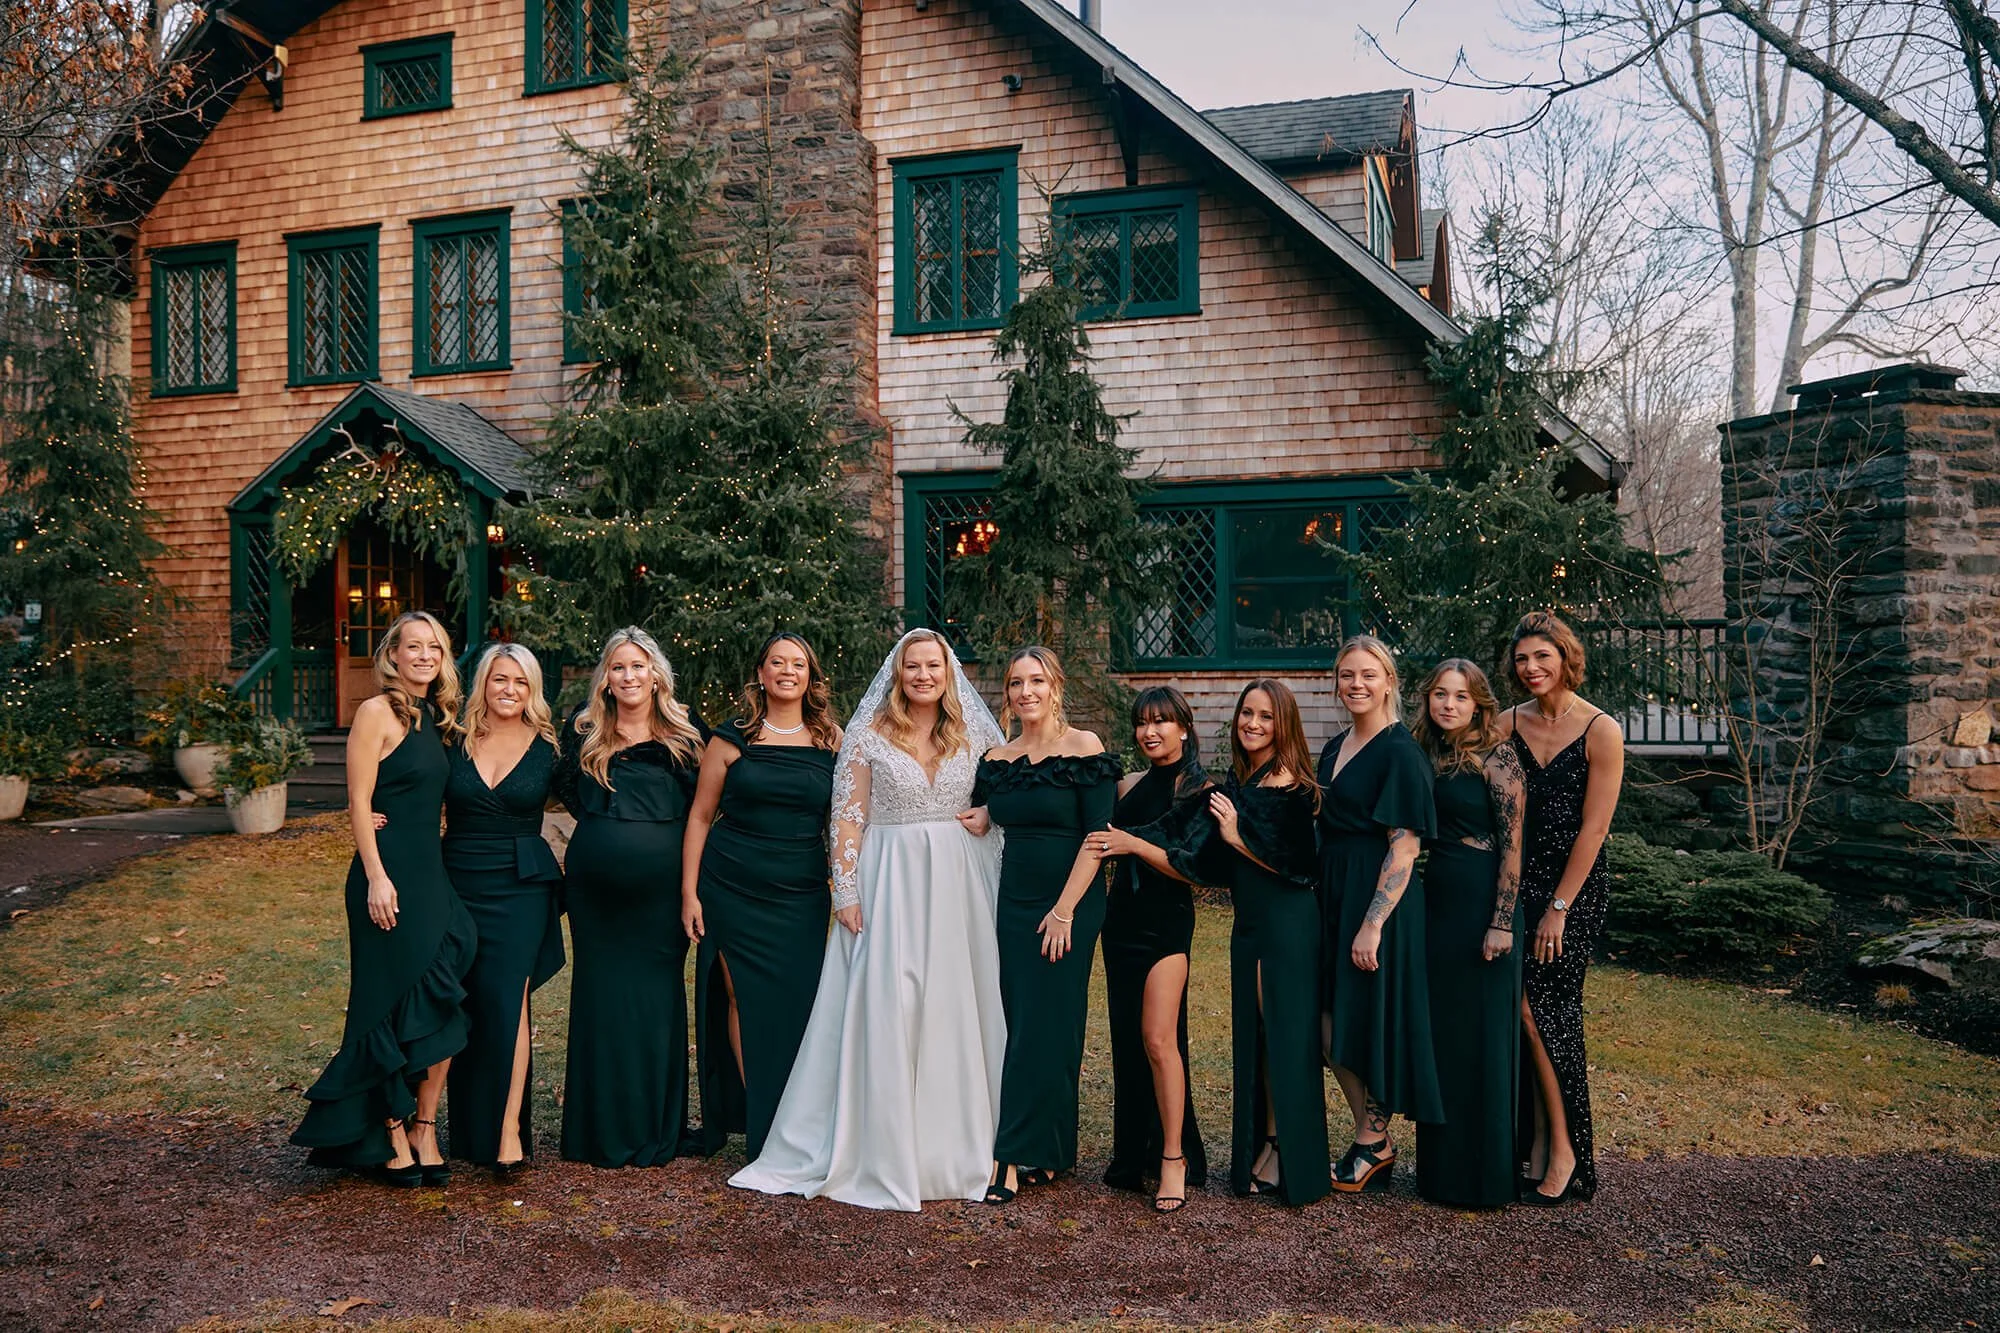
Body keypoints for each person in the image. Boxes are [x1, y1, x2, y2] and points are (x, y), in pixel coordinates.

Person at [730, 628, 1006, 1211]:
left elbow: (1006, 794)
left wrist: (987, 812)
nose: (924, 676)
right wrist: (847, 891)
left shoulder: (977, 733)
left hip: (956, 884)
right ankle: (884, 1144)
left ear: (948, 673)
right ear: (898, 675)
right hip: (890, 882)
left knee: (952, 1004)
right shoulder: (867, 735)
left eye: (933, 666)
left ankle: (953, 1147)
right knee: (894, 1003)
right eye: (913, 667)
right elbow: (847, 819)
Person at [291, 611, 474, 1187]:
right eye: (413, 647)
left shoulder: (439, 719)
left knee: (447, 981)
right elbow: (358, 798)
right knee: (385, 1002)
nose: (424, 656)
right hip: (386, 875)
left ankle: (425, 1124)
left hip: (430, 873)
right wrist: (376, 875)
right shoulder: (377, 712)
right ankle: (391, 1129)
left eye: (435, 649)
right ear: (392, 655)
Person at [1164, 679, 1329, 1206]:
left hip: (1286, 923)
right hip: (1251, 925)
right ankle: (1271, 1141)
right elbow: (1208, 861)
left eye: (1264, 716)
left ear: (1284, 724)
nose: (1253, 724)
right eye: (1246, 715)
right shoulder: (1246, 779)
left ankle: (1288, 1153)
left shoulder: (1293, 786)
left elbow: (1301, 868)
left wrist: (1237, 837)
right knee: (1260, 1034)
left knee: (1282, 1034)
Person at [551, 627, 707, 1168]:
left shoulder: (688, 736)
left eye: (638, 666)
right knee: (601, 999)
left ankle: (654, 1126)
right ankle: (599, 1129)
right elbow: (570, 792)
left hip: (664, 895)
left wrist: (688, 887)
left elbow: (705, 812)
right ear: (606, 678)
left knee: (655, 1000)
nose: (629, 676)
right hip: (596, 894)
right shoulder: (583, 730)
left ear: (656, 674)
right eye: (618, 668)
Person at [683, 633, 841, 1160]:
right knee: (739, 997)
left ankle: (799, 1119)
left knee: (799, 1002)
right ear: (762, 672)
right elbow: (701, 816)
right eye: (778, 661)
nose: (787, 670)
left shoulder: (832, 740)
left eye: (798, 663)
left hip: (799, 890)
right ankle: (764, 1122)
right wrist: (690, 892)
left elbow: (846, 821)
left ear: (810, 677)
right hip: (730, 884)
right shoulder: (730, 739)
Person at [975, 647, 1121, 1206]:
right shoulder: (999, 755)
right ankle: (1052, 1150)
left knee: (1044, 1024)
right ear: (1007, 694)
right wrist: (984, 813)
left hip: (1071, 904)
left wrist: (1063, 911)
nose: (1026, 691)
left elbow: (1098, 837)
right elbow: (991, 807)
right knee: (1028, 1023)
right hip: (1014, 904)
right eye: (1016, 682)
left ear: (1055, 686)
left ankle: (1008, 1156)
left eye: (1037, 680)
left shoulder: (1083, 747)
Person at [1495, 611, 1623, 1205]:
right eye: (1522, 659)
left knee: (1544, 1010)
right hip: (1516, 886)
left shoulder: (1601, 730)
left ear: (1565, 657)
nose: (1531, 668)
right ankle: (1539, 1145)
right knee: (1521, 1013)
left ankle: (1568, 1149)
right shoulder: (1504, 724)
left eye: (1542, 657)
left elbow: (1594, 831)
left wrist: (1559, 909)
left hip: (1572, 891)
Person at [1317, 634, 1440, 1194]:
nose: (1357, 684)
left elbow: (1405, 846)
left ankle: (1372, 1141)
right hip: (1331, 893)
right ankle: (1373, 1137)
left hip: (1377, 903)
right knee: (1326, 1020)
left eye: (1368, 674)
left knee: (1363, 1016)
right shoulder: (1334, 746)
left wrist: (1372, 922)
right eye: (1347, 675)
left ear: (1389, 680)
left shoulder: (1400, 751)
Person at [1085, 685, 1211, 1213]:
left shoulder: (1199, 788)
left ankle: (1173, 1160)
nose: (1150, 732)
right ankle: (1131, 1154)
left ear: (1183, 727)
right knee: (1127, 1043)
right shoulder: (1131, 783)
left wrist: (1134, 845)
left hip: (1166, 925)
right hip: (1121, 924)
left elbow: (1193, 864)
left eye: (1161, 722)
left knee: (1160, 1040)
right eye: (1142, 723)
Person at [440, 643, 564, 1178]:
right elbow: (414, 792)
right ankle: (447, 1127)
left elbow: (603, 800)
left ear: (531, 688)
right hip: (454, 879)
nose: (508, 689)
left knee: (508, 1001)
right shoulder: (453, 739)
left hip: (520, 887)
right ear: (482, 686)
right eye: (498, 679)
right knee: (454, 997)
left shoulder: (551, 750)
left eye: (519, 680)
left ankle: (509, 1129)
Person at [1410, 659, 1525, 1208]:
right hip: (1437, 905)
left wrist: (1502, 921)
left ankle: (1485, 1178)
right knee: (1445, 1036)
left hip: (1484, 903)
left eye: (1460, 696)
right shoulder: (1423, 754)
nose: (1448, 704)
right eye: (1439, 694)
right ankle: (1440, 1174)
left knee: (1482, 1037)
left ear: (1479, 703)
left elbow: (1512, 847)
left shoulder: (1497, 757)